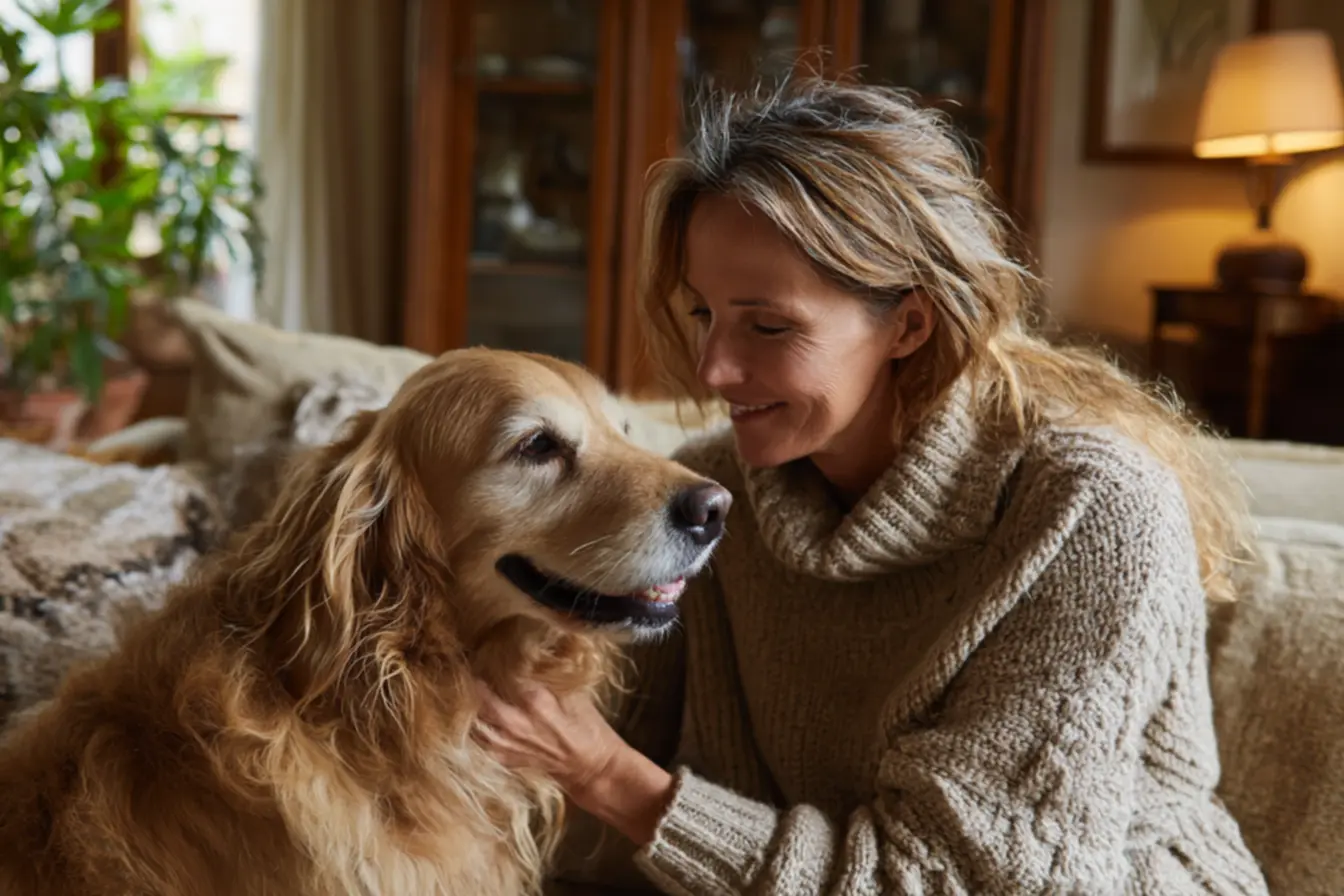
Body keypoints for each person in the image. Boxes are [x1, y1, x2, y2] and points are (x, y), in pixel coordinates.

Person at [473, 75, 1270, 894]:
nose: (713, 367)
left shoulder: (1089, 510)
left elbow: (967, 881)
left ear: (908, 324)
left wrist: (611, 778)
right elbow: (577, 807)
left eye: (769, 325)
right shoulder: (715, 492)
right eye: (703, 313)